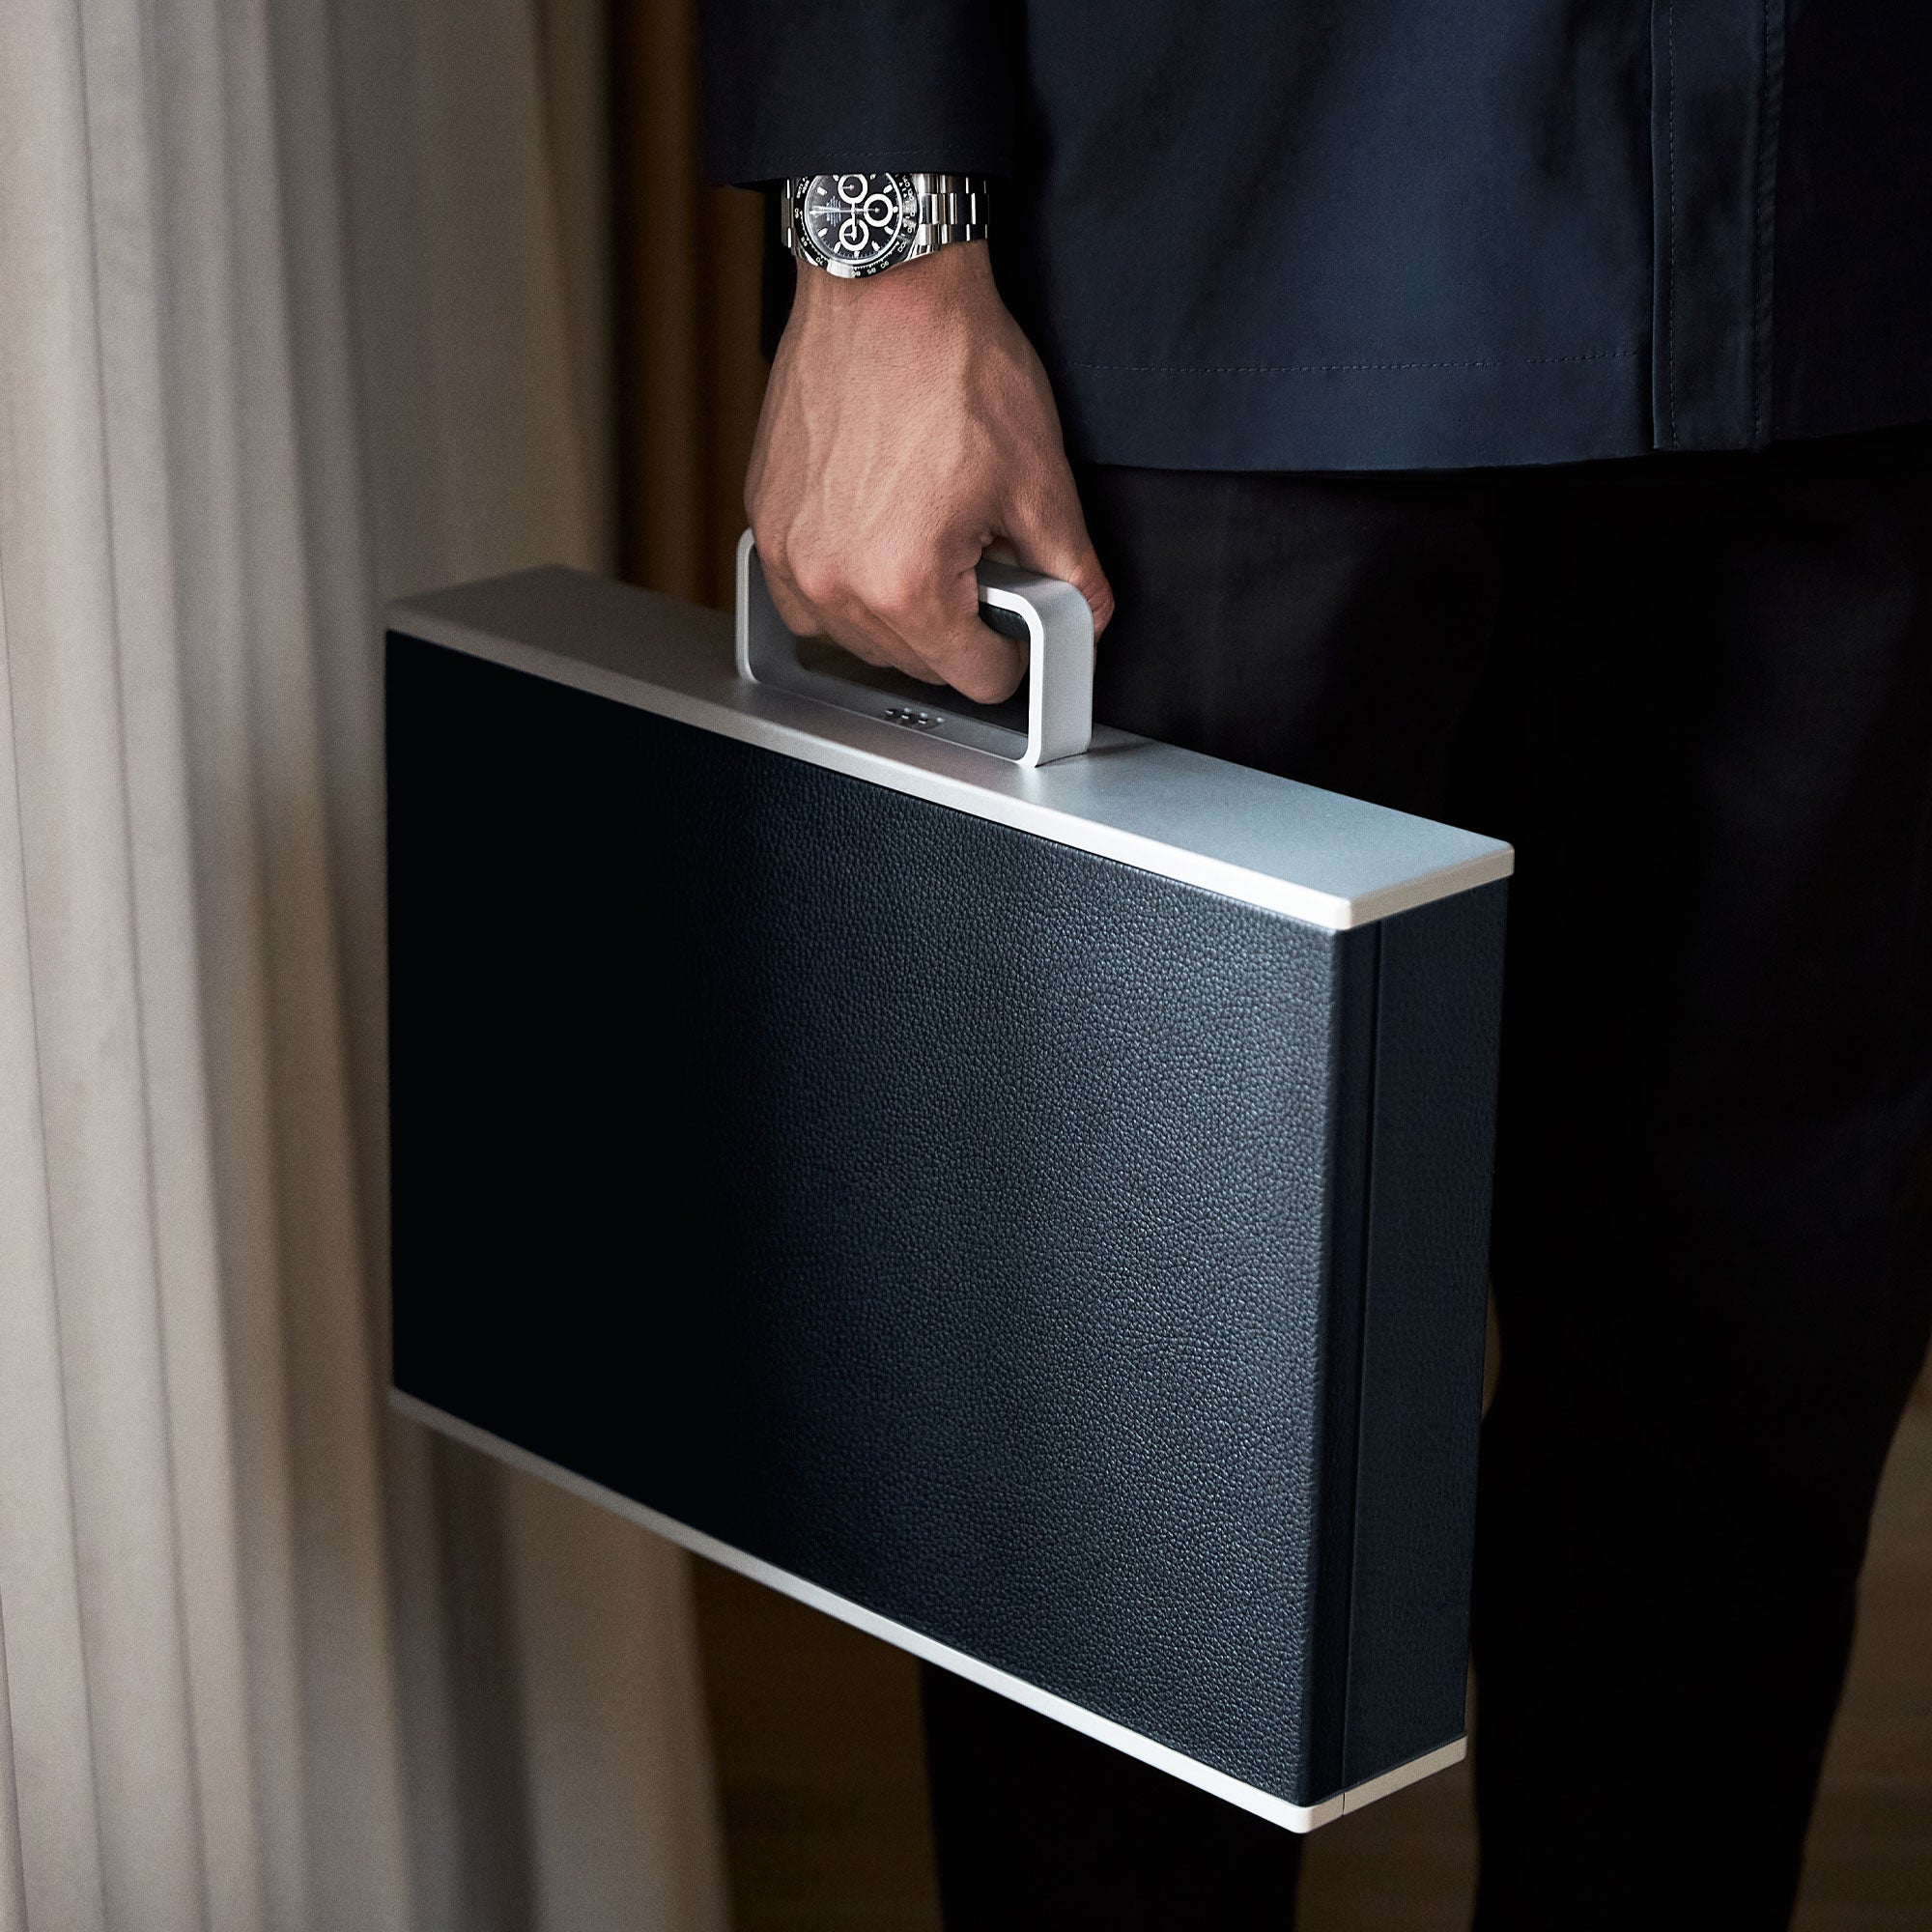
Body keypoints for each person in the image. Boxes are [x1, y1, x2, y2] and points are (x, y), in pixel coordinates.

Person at [697, 6, 1932, 1925]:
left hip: (1853, 265)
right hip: (1213, 250)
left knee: (1745, 1406)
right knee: (1120, 1486)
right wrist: (879, 230)